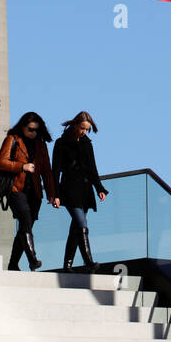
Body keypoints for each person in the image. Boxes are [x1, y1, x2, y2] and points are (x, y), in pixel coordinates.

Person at [0, 112, 59, 271]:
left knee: (25, 227)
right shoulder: (13, 140)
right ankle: (33, 259)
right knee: (24, 220)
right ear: (23, 127)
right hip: (15, 189)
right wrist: (21, 166)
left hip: (35, 193)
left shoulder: (41, 145)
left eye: (37, 130)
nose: (33, 133)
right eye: (30, 129)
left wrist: (52, 194)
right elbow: (1, 163)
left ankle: (12, 264)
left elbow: (47, 172)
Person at [52, 111, 108, 271]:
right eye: (82, 128)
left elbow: (92, 168)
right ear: (75, 124)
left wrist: (99, 188)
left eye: (87, 129)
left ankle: (67, 265)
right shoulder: (61, 143)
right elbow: (55, 170)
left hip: (85, 190)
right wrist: (55, 194)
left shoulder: (87, 144)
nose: (84, 132)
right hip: (69, 189)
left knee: (76, 227)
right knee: (82, 224)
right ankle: (88, 261)